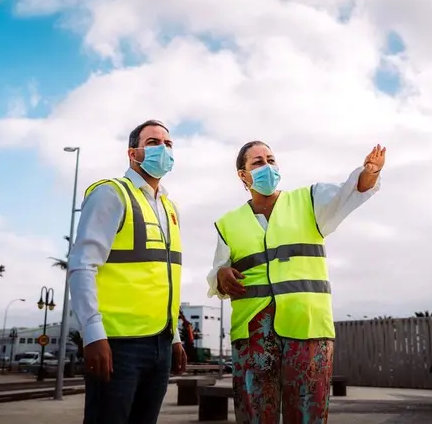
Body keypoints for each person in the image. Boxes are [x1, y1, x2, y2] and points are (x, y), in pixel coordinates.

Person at [208, 141, 385, 424]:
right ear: (243, 175)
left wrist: (369, 173)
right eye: (257, 163)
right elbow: (218, 271)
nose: (267, 166)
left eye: (271, 159)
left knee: (307, 414)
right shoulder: (228, 224)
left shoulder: (310, 200)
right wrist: (220, 275)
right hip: (253, 333)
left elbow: (348, 193)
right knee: (254, 414)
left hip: (308, 328)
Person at [69, 119, 188, 424]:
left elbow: (163, 279)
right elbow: (83, 264)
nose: (163, 149)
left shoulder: (169, 208)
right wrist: (92, 335)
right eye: (153, 143)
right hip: (117, 345)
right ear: (133, 153)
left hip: (160, 344)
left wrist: (174, 339)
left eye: (168, 144)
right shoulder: (112, 194)